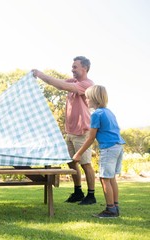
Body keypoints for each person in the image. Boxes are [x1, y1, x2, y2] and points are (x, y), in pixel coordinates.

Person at [32, 56, 96, 205]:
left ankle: (91, 195)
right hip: (71, 132)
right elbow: (57, 83)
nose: (72, 69)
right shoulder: (73, 81)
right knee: (71, 163)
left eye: (75, 67)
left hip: (83, 131)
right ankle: (78, 191)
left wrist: (41, 74)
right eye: (72, 67)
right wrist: (39, 77)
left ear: (84, 68)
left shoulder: (87, 84)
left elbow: (61, 86)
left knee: (85, 164)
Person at [73, 85, 125, 218]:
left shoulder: (96, 114)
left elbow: (91, 137)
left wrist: (78, 153)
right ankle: (115, 207)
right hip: (118, 146)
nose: (86, 100)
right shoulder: (109, 112)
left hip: (108, 147)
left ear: (94, 99)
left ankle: (110, 210)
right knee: (111, 177)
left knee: (104, 178)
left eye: (88, 98)